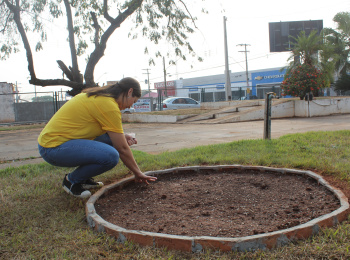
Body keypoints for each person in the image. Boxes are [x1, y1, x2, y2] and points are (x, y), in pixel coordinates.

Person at [37, 77, 157, 199]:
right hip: (53, 148)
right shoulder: (108, 105)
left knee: (112, 142)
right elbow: (122, 149)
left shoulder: (101, 98)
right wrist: (138, 173)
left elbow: (112, 136)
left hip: (56, 143)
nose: (131, 105)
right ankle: (71, 181)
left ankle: (83, 178)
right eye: (134, 101)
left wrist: (123, 136)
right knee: (111, 156)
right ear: (129, 91)